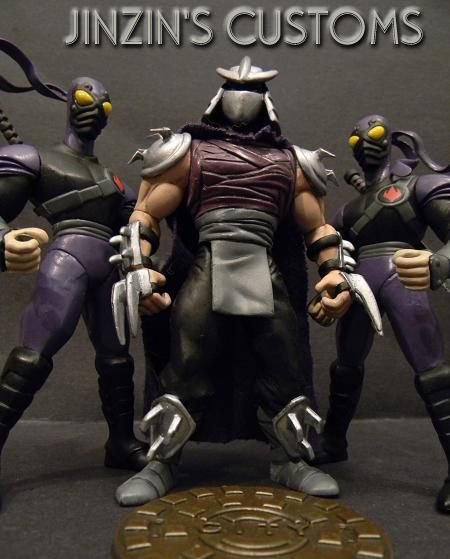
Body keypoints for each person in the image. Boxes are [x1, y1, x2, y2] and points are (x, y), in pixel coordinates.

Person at [113, 57, 352, 506]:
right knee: (186, 362)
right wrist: (139, 268)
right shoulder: (189, 153)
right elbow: (145, 215)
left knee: (285, 365)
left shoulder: (291, 162)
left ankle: (290, 459)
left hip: (265, 270)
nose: (243, 96)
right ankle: (162, 461)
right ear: (217, 99)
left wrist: (335, 274)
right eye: (235, 88)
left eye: (254, 90)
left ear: (268, 103)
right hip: (207, 265)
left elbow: (318, 230)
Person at [0, 40, 148, 489]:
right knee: (34, 354)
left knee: (117, 359)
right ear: (68, 102)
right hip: (66, 261)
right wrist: (4, 241)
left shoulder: (115, 182)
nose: (95, 109)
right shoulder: (33, 158)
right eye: (85, 98)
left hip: (110, 269)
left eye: (104, 104)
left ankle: (120, 441)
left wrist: (146, 268)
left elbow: (138, 232)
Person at [314, 114, 450, 513]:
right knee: (346, 366)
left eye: (374, 133)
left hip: (403, 274)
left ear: (392, 139)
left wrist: (438, 264)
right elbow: (332, 256)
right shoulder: (347, 211)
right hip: (358, 284)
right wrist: (330, 290)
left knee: (432, 370)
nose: (364, 143)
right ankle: (333, 441)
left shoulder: (419, 186)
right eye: (355, 139)